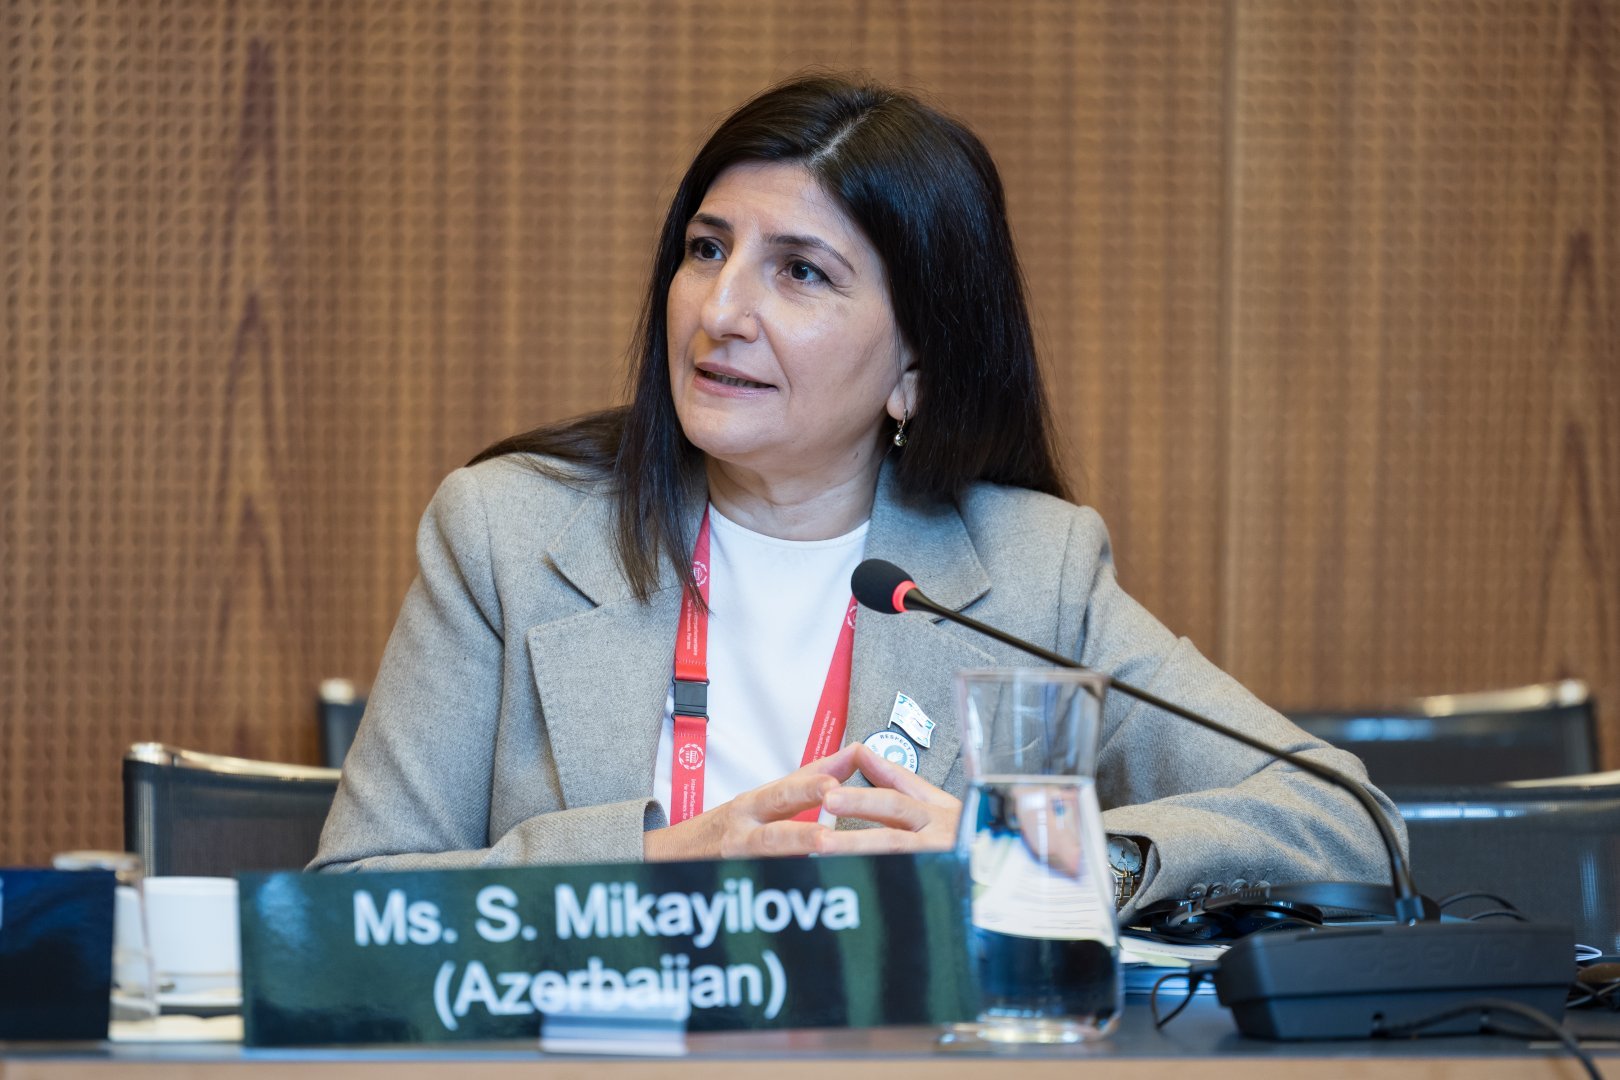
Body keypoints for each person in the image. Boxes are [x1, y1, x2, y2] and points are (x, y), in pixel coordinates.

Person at [311, 73, 1402, 916]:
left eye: (801, 272)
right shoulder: (508, 532)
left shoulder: (1033, 570)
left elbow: (1346, 819)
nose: (719, 312)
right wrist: (653, 866)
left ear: (913, 367)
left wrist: (1030, 860)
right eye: (707, 249)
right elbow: (350, 901)